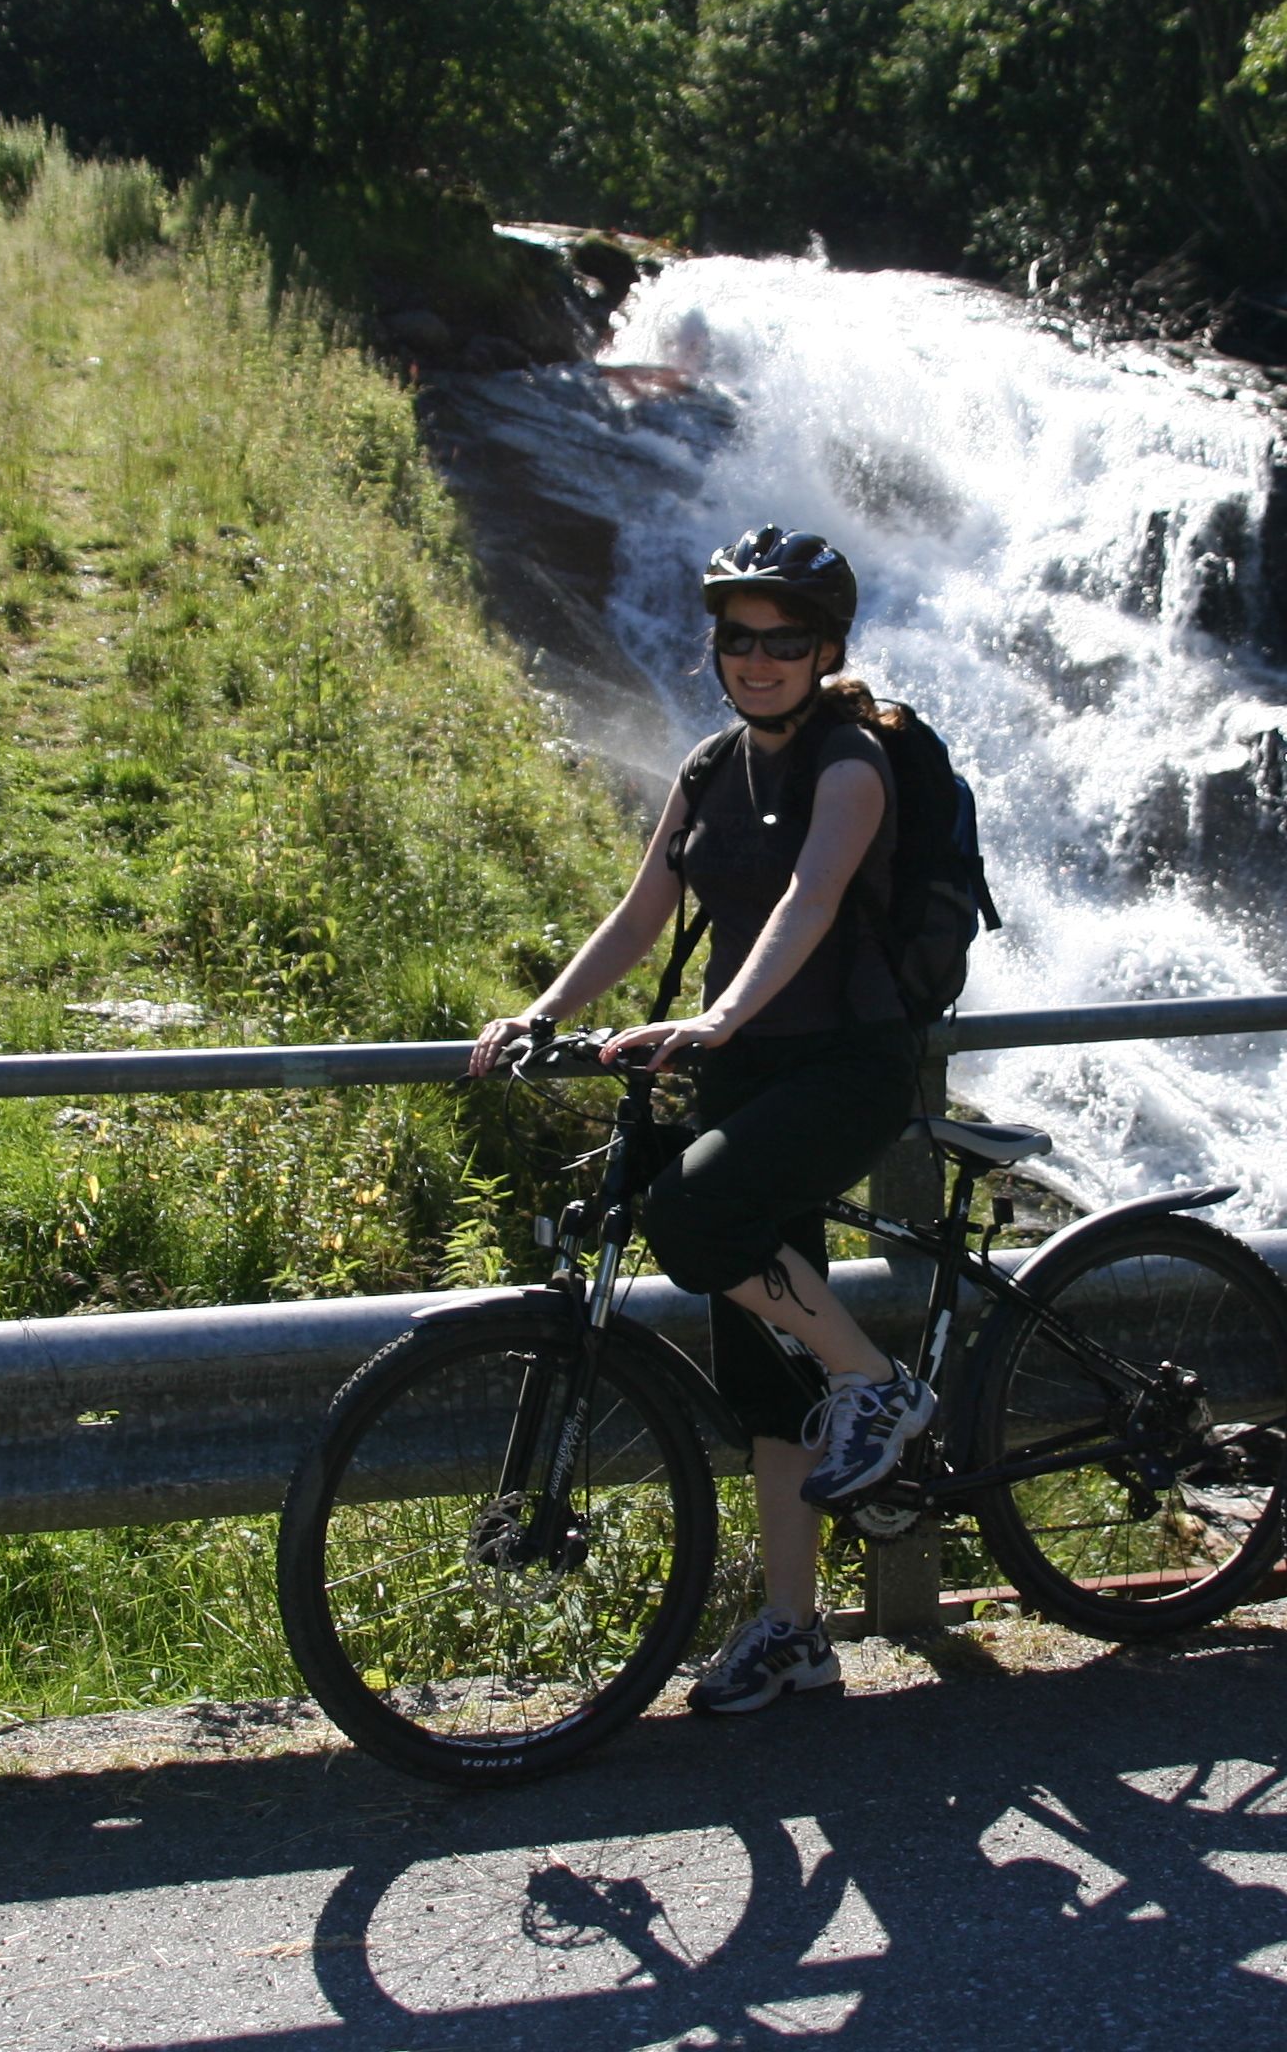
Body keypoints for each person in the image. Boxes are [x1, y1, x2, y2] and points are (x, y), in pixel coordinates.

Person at [468, 525, 935, 1716]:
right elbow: (639, 916)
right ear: (718, 649)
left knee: (690, 1220)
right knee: (764, 1378)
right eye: (741, 638)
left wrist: (717, 1016)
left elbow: (812, 901)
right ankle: (796, 1631)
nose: (760, 657)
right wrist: (545, 1009)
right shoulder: (706, 769)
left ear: (828, 649)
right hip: (743, 1075)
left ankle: (878, 1383)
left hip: (845, 1068)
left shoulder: (851, 763)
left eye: (787, 640)